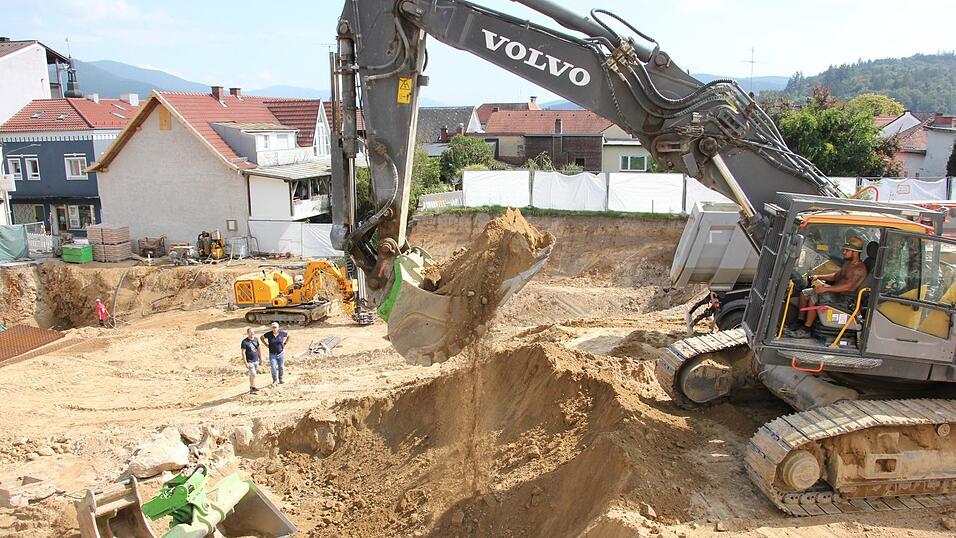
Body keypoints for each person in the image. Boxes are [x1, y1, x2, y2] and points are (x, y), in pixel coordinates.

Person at [788, 235, 868, 338]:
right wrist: (818, 276)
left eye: (847, 250)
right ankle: (800, 322)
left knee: (814, 296)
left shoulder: (859, 269)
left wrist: (826, 288)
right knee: (804, 293)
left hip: (845, 299)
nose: (843, 252)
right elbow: (836, 276)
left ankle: (806, 329)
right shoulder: (848, 264)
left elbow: (849, 287)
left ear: (856, 252)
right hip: (835, 293)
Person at [241, 328, 261, 394]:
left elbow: (258, 348)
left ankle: (253, 387)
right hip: (250, 361)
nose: (252, 334)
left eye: (253, 332)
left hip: (256, 360)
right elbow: (243, 352)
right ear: (248, 333)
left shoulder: (256, 339)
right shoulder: (244, 342)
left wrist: (260, 358)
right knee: (253, 374)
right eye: (250, 332)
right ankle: (252, 387)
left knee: (252, 375)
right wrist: (245, 363)